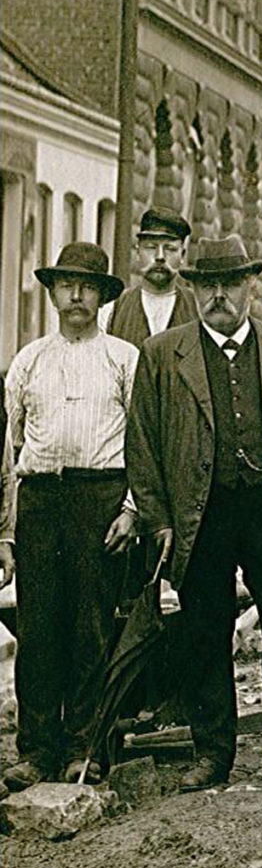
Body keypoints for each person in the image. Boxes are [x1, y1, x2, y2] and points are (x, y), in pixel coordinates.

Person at [128, 236, 262, 791]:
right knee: (203, 632)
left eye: (229, 284)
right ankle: (212, 753)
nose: (218, 296)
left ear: (250, 286)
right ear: (193, 290)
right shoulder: (162, 355)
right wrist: (161, 519)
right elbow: (142, 445)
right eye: (207, 285)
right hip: (202, 514)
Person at [1, 243, 140, 788]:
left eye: (87, 286)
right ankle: (36, 749)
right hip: (41, 502)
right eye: (66, 285)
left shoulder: (124, 360)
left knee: (91, 625)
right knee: (38, 628)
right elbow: (9, 455)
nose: (76, 296)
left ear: (103, 297)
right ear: (54, 292)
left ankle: (86, 746)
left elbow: (143, 444)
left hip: (98, 499)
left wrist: (130, 510)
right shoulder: (30, 361)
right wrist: (6, 531)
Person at [102, 207, 196, 347]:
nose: (160, 257)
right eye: (151, 247)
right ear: (138, 252)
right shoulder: (112, 311)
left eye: (170, 249)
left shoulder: (198, 308)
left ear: (182, 255)